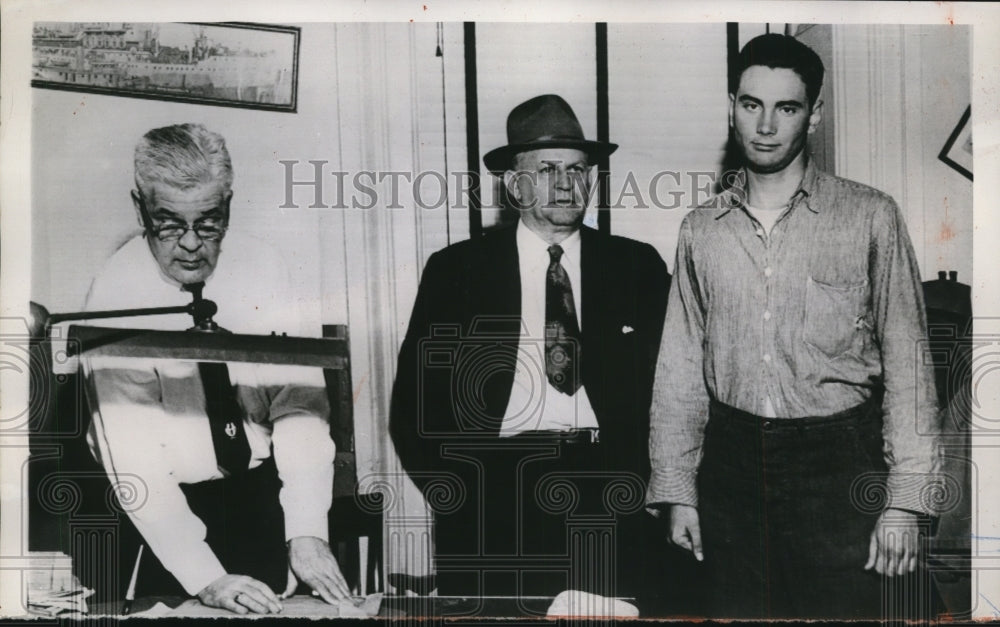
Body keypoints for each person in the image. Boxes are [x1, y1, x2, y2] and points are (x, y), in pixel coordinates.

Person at [646, 34, 941, 619]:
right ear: (731, 106)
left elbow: (910, 362)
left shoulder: (869, 216)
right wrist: (677, 488)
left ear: (814, 114)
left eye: (787, 107)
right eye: (751, 104)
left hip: (837, 467)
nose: (765, 125)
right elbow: (679, 368)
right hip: (729, 471)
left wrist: (906, 502)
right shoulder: (701, 229)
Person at [389, 94, 671, 607]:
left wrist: (657, 488)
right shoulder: (457, 272)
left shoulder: (638, 267)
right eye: (547, 169)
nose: (567, 183)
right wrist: (458, 496)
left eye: (579, 169)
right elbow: (412, 407)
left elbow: (677, 390)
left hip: (612, 489)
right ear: (514, 183)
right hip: (496, 496)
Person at [82, 123, 350, 614]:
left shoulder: (268, 269)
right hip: (161, 521)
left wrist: (308, 528)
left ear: (228, 202)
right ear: (139, 207)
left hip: (262, 497)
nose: (190, 244)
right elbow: (134, 462)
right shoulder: (113, 295)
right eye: (168, 223)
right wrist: (205, 577)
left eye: (209, 222)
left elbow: (300, 406)